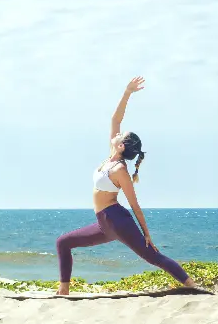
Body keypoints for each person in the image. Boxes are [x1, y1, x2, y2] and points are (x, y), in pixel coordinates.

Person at [54, 77, 205, 296]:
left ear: (122, 145)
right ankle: (63, 291)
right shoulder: (110, 156)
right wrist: (127, 93)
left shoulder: (119, 171)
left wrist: (146, 233)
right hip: (103, 223)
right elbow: (115, 119)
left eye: (119, 136)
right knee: (63, 242)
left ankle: (192, 285)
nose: (116, 134)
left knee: (153, 256)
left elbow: (134, 204)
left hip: (117, 221)